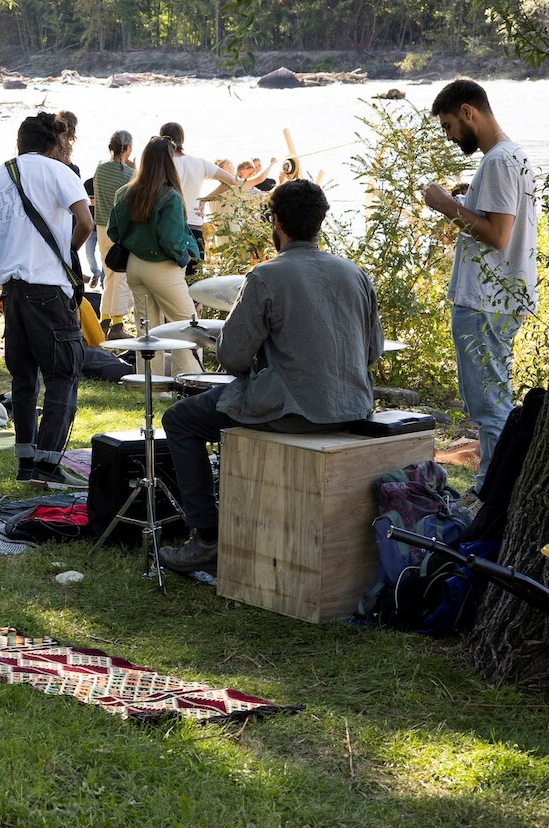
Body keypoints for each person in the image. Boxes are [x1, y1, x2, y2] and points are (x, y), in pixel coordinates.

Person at [157, 180, 383, 573]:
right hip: (352, 408)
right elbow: (372, 353)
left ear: (276, 222)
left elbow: (233, 358)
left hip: (293, 412)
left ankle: (207, 538)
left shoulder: (266, 276)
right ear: (320, 221)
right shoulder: (355, 274)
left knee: (179, 420)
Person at [422, 78, 538, 490]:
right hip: (499, 297)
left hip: (486, 301)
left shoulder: (499, 161)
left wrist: (445, 205)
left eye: (450, 125)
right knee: (491, 399)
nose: (451, 136)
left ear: (469, 112)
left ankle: (493, 490)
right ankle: (496, 485)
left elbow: (497, 235)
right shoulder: (512, 157)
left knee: (490, 405)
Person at [0, 113, 92, 486]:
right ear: (52, 145)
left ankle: (26, 464)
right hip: (47, 286)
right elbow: (86, 223)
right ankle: (47, 466)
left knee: (23, 377)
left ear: (19, 143)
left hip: (11, 290)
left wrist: (14, 245)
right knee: (63, 374)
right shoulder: (59, 172)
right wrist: (64, 250)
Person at [107, 137, 204, 378]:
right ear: (167, 162)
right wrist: (183, 258)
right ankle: (189, 381)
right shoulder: (169, 196)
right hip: (162, 267)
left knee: (147, 330)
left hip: (134, 265)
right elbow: (171, 240)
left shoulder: (125, 192)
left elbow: (113, 231)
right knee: (187, 326)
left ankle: (151, 385)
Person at [158, 121, 239, 263]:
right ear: (182, 139)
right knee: (194, 278)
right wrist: (205, 199)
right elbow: (232, 181)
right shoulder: (199, 163)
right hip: (194, 225)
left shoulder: (158, 164)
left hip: (167, 227)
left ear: (161, 139)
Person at [93, 130, 136, 329]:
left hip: (101, 227)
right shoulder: (130, 175)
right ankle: (118, 324)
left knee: (108, 273)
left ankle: (105, 318)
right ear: (127, 149)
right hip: (120, 230)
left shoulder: (100, 168)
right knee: (121, 275)